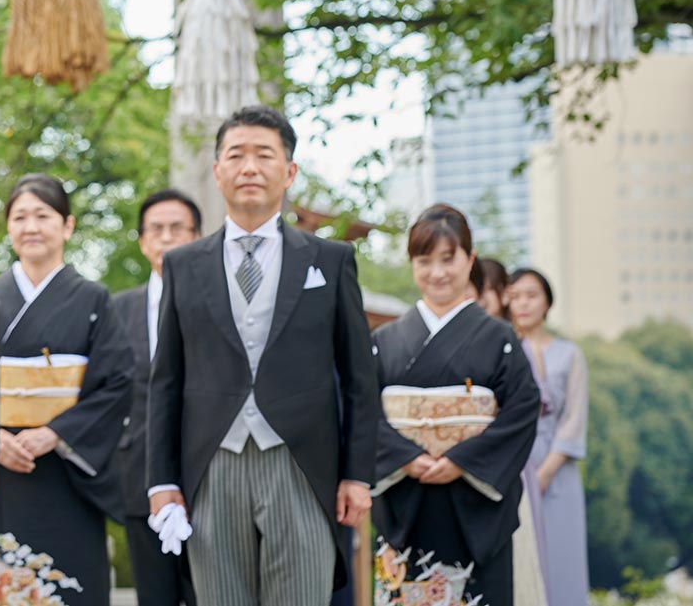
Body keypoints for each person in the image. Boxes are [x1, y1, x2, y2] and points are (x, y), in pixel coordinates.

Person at [146, 104, 378, 606]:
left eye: (264, 155)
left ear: (289, 171)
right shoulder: (183, 264)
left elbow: (359, 376)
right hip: (212, 463)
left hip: (301, 461)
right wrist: (161, 482)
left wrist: (358, 474)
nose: (249, 167)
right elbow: (165, 380)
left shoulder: (330, 260)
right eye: (236, 155)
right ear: (217, 171)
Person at [0, 175, 133, 606]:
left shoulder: (94, 299)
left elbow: (117, 383)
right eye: (20, 217)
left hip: (67, 473)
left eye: (43, 215)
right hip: (1, 469)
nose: (31, 227)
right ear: (8, 228)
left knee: (70, 587)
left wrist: (54, 433)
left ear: (67, 225)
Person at [372, 205, 541, 606]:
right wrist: (406, 457)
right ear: (412, 264)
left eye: (449, 259)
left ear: (469, 258)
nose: (437, 273)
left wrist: (462, 460)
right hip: (405, 498)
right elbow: (360, 410)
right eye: (424, 260)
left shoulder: (499, 338)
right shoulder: (386, 340)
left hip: (473, 502)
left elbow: (521, 409)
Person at [113, 190, 201, 606]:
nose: (166, 238)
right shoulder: (117, 309)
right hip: (138, 474)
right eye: (156, 230)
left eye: (177, 229)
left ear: (197, 236)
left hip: (208, 473)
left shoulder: (216, 303)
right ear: (143, 240)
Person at [508, 267, 590, 606]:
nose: (523, 304)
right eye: (514, 296)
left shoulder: (569, 355)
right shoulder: (505, 349)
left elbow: (574, 418)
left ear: (547, 302)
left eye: (531, 295)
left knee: (561, 557)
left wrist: (545, 471)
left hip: (558, 471)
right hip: (513, 463)